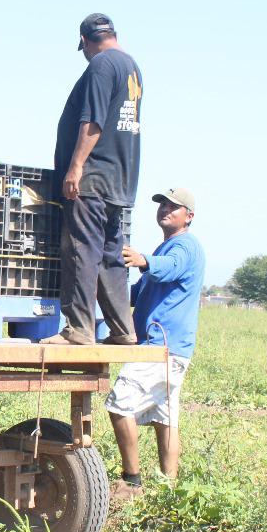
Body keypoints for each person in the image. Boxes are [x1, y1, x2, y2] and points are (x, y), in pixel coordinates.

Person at [44, 13, 143, 346]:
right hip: (119, 178)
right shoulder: (131, 66)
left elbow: (93, 122)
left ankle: (79, 329)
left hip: (94, 177)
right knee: (110, 254)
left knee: (81, 250)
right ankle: (123, 329)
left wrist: (75, 168)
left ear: (86, 41)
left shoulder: (101, 65)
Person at [105, 187, 205, 499]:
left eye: (173, 207)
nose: (165, 210)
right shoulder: (165, 248)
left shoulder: (184, 247)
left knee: (119, 404)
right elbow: (140, 294)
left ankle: (131, 480)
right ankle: (168, 489)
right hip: (170, 348)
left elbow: (168, 269)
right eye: (162, 205)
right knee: (165, 417)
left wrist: (142, 260)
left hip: (160, 346)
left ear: (189, 216)